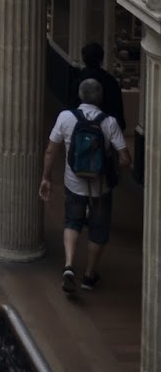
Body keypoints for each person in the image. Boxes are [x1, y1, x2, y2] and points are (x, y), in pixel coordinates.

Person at [41, 77, 130, 296]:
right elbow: (125, 159)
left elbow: (51, 150)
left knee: (72, 222)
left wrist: (46, 177)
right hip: (101, 188)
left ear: (80, 95)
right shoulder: (109, 123)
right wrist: (116, 171)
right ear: (100, 98)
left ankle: (69, 265)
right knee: (98, 231)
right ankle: (89, 276)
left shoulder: (65, 117)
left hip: (73, 184)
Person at [78, 41, 126, 130]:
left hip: (79, 128)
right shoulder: (110, 81)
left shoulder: (77, 78)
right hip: (105, 129)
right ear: (101, 60)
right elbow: (117, 111)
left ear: (83, 59)